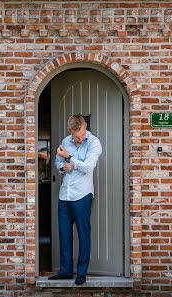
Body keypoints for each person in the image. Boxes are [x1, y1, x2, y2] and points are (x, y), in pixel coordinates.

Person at [48, 114, 102, 285]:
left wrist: (70, 159)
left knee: (83, 234)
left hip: (83, 195)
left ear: (85, 126)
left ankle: (81, 273)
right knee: (64, 234)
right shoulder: (66, 141)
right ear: (70, 130)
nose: (79, 139)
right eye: (75, 136)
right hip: (65, 195)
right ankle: (65, 271)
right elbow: (57, 162)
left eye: (81, 135)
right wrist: (63, 166)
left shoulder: (94, 143)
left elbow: (88, 167)